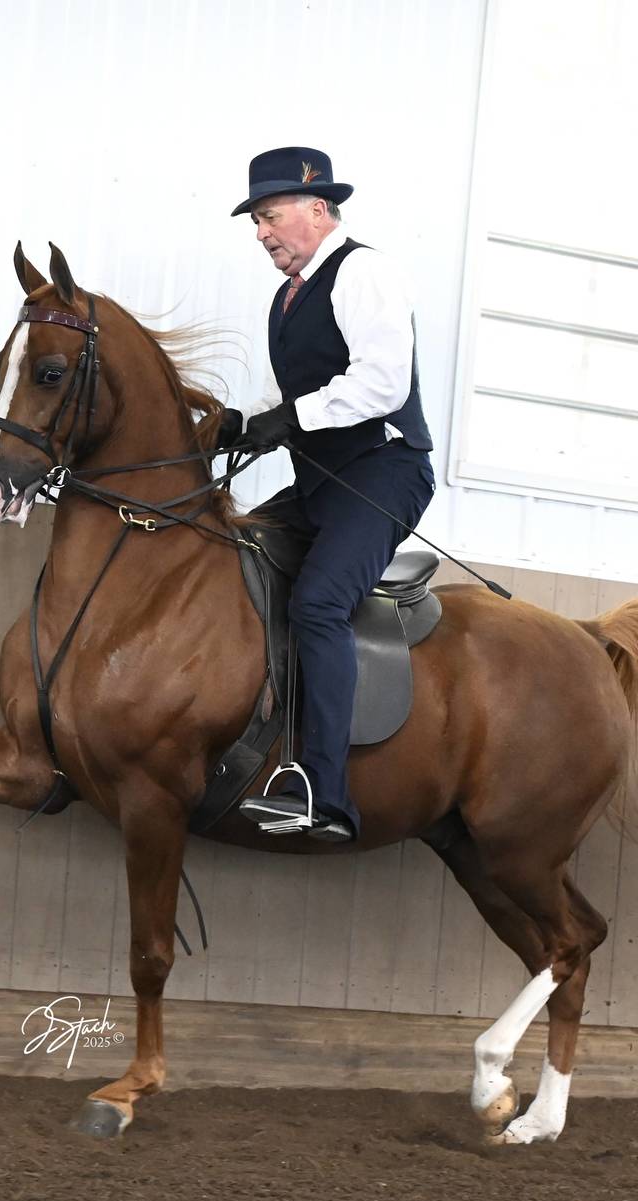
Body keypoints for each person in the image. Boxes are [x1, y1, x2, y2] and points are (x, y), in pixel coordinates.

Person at [224, 146, 436, 843]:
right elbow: (283, 395)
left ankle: (324, 792)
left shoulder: (364, 272)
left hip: (383, 474)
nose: (262, 233)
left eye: (271, 216)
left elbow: (383, 383)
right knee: (231, 550)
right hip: (322, 481)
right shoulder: (287, 298)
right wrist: (237, 425)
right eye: (257, 221)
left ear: (318, 209)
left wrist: (291, 419)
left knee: (319, 603)